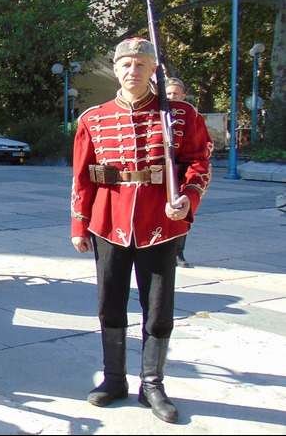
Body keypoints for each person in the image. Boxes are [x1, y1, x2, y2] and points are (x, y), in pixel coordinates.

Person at [71, 37, 212, 424]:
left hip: (160, 224)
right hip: (107, 222)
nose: (132, 71)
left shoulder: (180, 115)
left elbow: (199, 161)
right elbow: (82, 177)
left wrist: (187, 199)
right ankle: (114, 378)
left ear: (154, 71)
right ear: (116, 69)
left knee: (158, 308)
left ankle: (152, 384)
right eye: (126, 64)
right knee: (109, 303)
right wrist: (79, 224)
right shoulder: (92, 118)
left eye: (141, 64)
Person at [164, 77, 192, 268]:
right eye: (168, 94)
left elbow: (203, 144)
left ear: (183, 95)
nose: (172, 97)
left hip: (183, 174)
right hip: (163, 175)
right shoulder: (158, 113)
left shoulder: (191, 116)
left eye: (175, 93)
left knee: (183, 213)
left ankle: (179, 253)